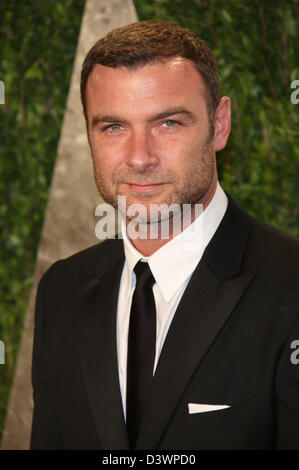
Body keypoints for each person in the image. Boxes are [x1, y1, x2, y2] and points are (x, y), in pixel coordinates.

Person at [30, 20, 299, 450]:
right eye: (113, 127)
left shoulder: (290, 285)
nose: (139, 158)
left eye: (168, 123)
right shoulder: (61, 291)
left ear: (220, 125)